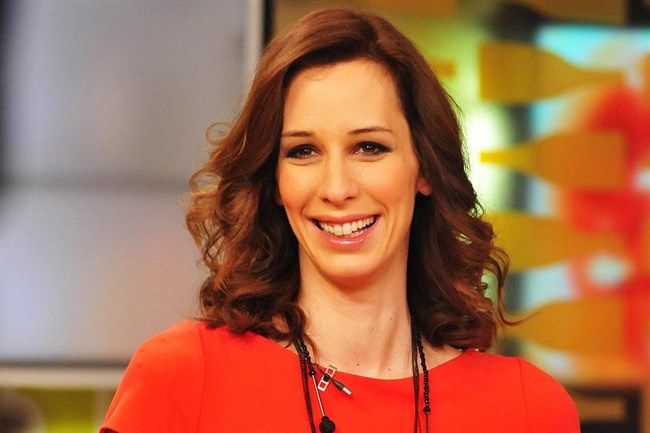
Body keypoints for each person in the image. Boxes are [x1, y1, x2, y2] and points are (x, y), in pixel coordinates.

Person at [100, 7, 579, 433]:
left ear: (424, 170)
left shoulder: (529, 409)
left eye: (369, 147)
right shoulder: (183, 377)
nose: (336, 187)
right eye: (303, 151)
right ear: (275, 182)